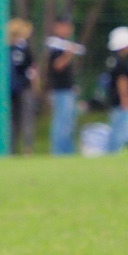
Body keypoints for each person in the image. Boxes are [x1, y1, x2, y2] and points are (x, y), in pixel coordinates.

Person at [44, 17, 84, 155]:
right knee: (61, 124)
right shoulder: (56, 46)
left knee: (69, 123)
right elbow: (57, 66)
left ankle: (68, 151)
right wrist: (68, 54)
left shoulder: (63, 45)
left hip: (68, 89)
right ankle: (59, 152)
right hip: (60, 91)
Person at [105, 26, 128, 152]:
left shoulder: (112, 60)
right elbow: (122, 81)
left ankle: (113, 151)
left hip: (114, 100)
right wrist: (126, 99)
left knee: (116, 128)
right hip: (120, 102)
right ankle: (116, 151)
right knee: (121, 130)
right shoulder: (121, 62)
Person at [8, 18, 37, 155]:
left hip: (11, 88)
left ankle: (12, 149)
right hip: (23, 87)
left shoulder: (7, 47)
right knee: (25, 119)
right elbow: (30, 67)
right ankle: (26, 148)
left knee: (14, 120)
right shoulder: (22, 47)